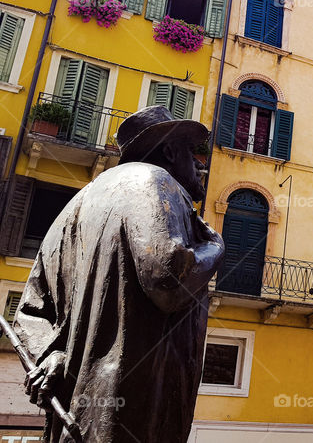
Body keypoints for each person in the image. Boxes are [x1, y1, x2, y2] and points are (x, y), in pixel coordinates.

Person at [13, 106, 225, 442]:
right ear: (169, 151)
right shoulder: (156, 181)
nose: (199, 164)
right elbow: (169, 281)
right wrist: (215, 247)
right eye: (191, 152)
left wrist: (48, 354)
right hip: (131, 413)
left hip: (74, 415)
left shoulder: (77, 204)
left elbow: (29, 310)